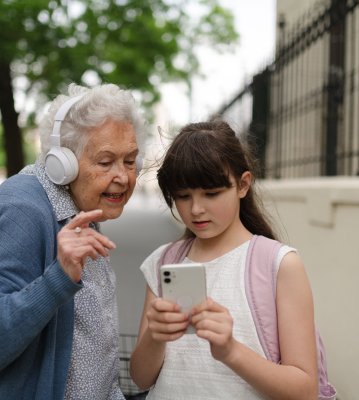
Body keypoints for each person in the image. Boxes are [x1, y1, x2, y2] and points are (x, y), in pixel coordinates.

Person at [0, 83, 147, 400]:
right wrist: (55, 282)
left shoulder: (81, 206)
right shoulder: (23, 214)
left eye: (130, 160)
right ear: (64, 163)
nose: (125, 176)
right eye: (105, 162)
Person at [129, 121, 319, 399]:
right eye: (183, 196)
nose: (196, 209)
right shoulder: (163, 262)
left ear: (243, 185)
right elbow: (141, 377)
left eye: (212, 193)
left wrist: (231, 351)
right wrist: (155, 337)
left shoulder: (279, 264)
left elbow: (305, 391)